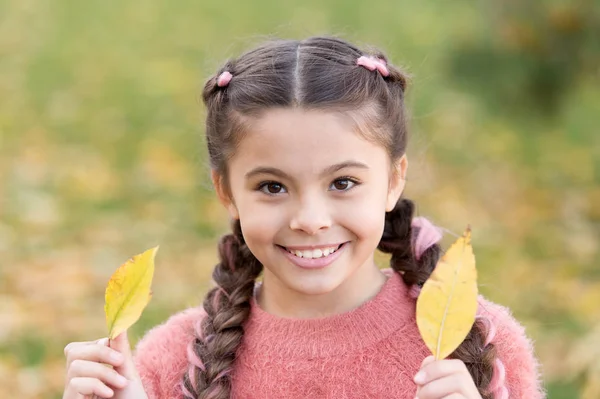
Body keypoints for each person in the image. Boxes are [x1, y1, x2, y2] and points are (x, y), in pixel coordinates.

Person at [62, 36, 545, 399]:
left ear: (394, 179)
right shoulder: (172, 361)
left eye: (342, 183)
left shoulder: (479, 341)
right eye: (273, 187)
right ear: (227, 190)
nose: (310, 219)